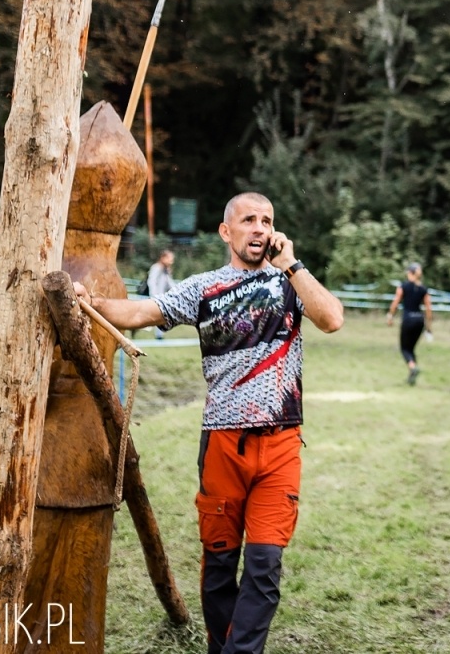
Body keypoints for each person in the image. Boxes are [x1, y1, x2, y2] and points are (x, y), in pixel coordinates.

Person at [87, 192, 345, 654]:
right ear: (227, 232)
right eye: (249, 220)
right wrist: (91, 300)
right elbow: (143, 313)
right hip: (223, 443)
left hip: (281, 442)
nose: (260, 229)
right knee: (220, 564)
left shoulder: (290, 282)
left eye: (266, 220)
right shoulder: (204, 287)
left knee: (265, 567)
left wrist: (293, 265)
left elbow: (332, 319)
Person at [385, 262, 432, 385]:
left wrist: (390, 316)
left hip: (408, 320)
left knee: (405, 349)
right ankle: (412, 378)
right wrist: (428, 328)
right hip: (419, 321)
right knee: (411, 349)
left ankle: (412, 368)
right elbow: (428, 309)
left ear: (410, 273)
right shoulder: (423, 289)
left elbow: (396, 302)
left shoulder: (403, 286)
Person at [147, 249, 176, 340]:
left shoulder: (165, 270)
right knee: (150, 318)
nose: (172, 261)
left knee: (160, 317)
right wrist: (154, 296)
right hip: (155, 298)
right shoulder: (156, 268)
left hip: (161, 298)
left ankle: (159, 335)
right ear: (163, 258)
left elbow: (169, 283)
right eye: (170, 259)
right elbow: (151, 282)